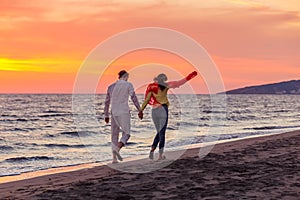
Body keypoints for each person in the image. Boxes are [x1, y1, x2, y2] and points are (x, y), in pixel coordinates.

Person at [140, 71, 197, 160]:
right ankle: (160, 155)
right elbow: (180, 82)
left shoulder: (151, 87)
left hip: (154, 111)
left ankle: (152, 149)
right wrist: (190, 76)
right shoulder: (165, 86)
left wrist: (141, 110)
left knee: (159, 131)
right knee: (162, 133)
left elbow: (147, 100)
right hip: (163, 109)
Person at [104, 70, 143, 163]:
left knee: (114, 135)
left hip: (114, 113)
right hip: (124, 112)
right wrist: (139, 109)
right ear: (126, 76)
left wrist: (106, 115)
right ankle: (117, 149)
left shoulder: (111, 87)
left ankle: (114, 159)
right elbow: (133, 97)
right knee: (127, 134)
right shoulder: (128, 85)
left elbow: (107, 102)